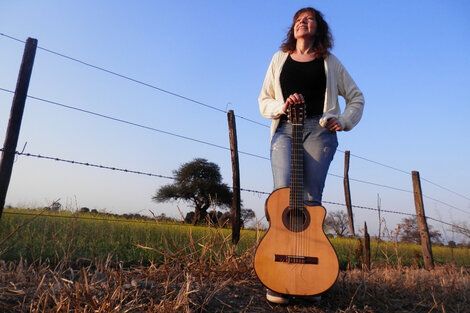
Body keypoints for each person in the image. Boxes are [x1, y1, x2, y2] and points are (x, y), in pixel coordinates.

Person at [258, 7, 364, 304]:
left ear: (318, 28)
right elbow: (263, 100)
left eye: (309, 19)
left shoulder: (330, 62)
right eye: (298, 20)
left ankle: (310, 279)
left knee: (309, 201)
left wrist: (342, 121)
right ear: (293, 29)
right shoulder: (279, 59)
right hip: (284, 130)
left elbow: (357, 97)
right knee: (282, 198)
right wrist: (281, 107)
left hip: (319, 131)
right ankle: (278, 278)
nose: (303, 22)